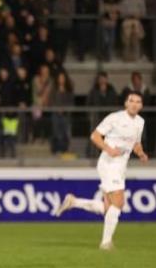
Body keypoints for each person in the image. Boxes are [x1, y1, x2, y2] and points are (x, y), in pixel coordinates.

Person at [54, 92, 148, 249]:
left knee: (108, 208)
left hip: (121, 166)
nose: (134, 104)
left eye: (138, 101)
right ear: (126, 103)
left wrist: (141, 153)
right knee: (119, 202)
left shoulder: (140, 122)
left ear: (141, 105)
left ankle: (74, 202)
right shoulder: (115, 118)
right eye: (131, 100)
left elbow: (136, 143)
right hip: (109, 163)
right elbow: (95, 136)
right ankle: (106, 243)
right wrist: (108, 149)